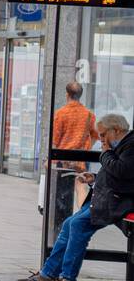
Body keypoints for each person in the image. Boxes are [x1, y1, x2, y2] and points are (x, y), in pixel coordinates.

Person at [18, 114, 134, 281]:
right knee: (68, 224)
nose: (101, 139)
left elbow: (122, 171)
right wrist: (94, 178)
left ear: (117, 130)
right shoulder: (120, 146)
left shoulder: (130, 146)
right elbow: (116, 174)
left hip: (117, 202)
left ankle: (68, 279)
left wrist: (105, 154)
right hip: (105, 198)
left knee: (78, 225)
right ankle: (48, 273)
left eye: (103, 135)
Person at [51, 81, 100, 215]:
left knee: (62, 193)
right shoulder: (88, 114)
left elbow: (54, 140)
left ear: (67, 94)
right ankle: (83, 214)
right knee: (81, 185)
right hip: (81, 159)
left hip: (64, 158)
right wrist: (87, 147)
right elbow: (96, 135)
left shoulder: (61, 113)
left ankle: (61, 220)